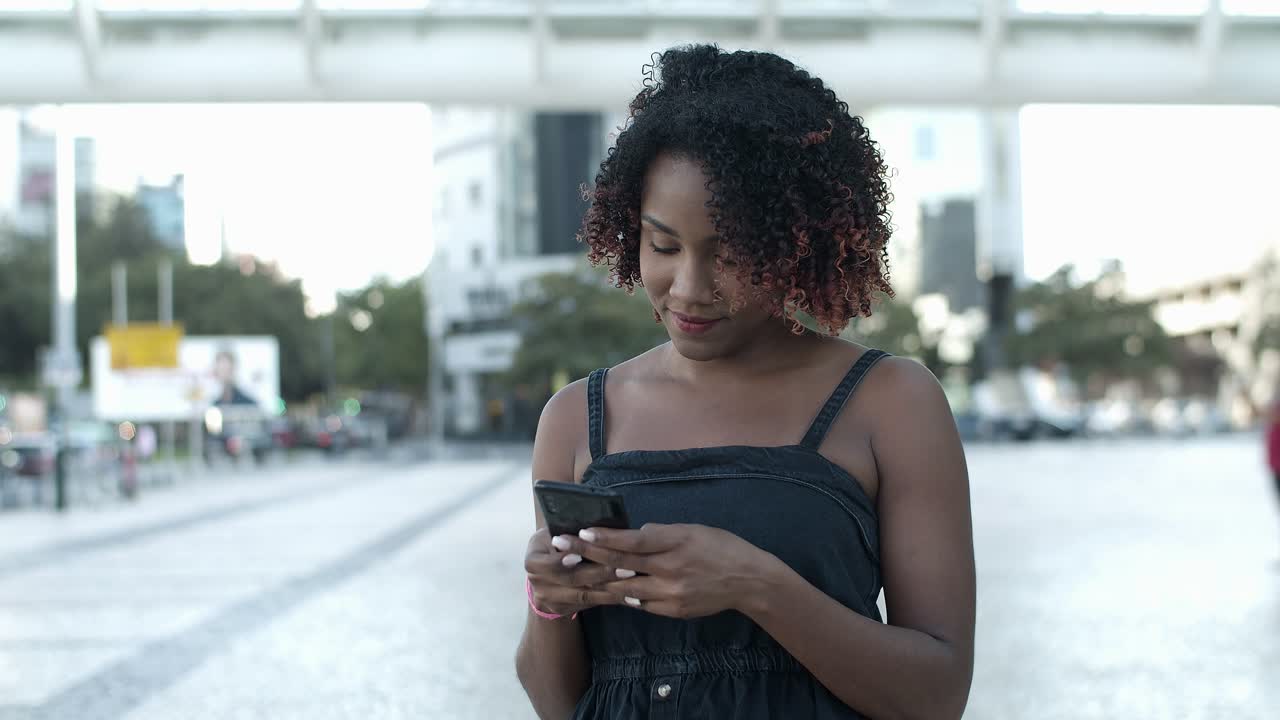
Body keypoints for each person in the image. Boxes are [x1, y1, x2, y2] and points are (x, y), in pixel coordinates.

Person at [516, 45, 975, 719]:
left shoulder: (892, 403)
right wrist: (551, 603)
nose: (690, 289)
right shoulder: (577, 417)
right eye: (663, 247)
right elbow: (559, 706)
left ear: (799, 242)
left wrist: (755, 585)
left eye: (733, 255)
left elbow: (937, 697)